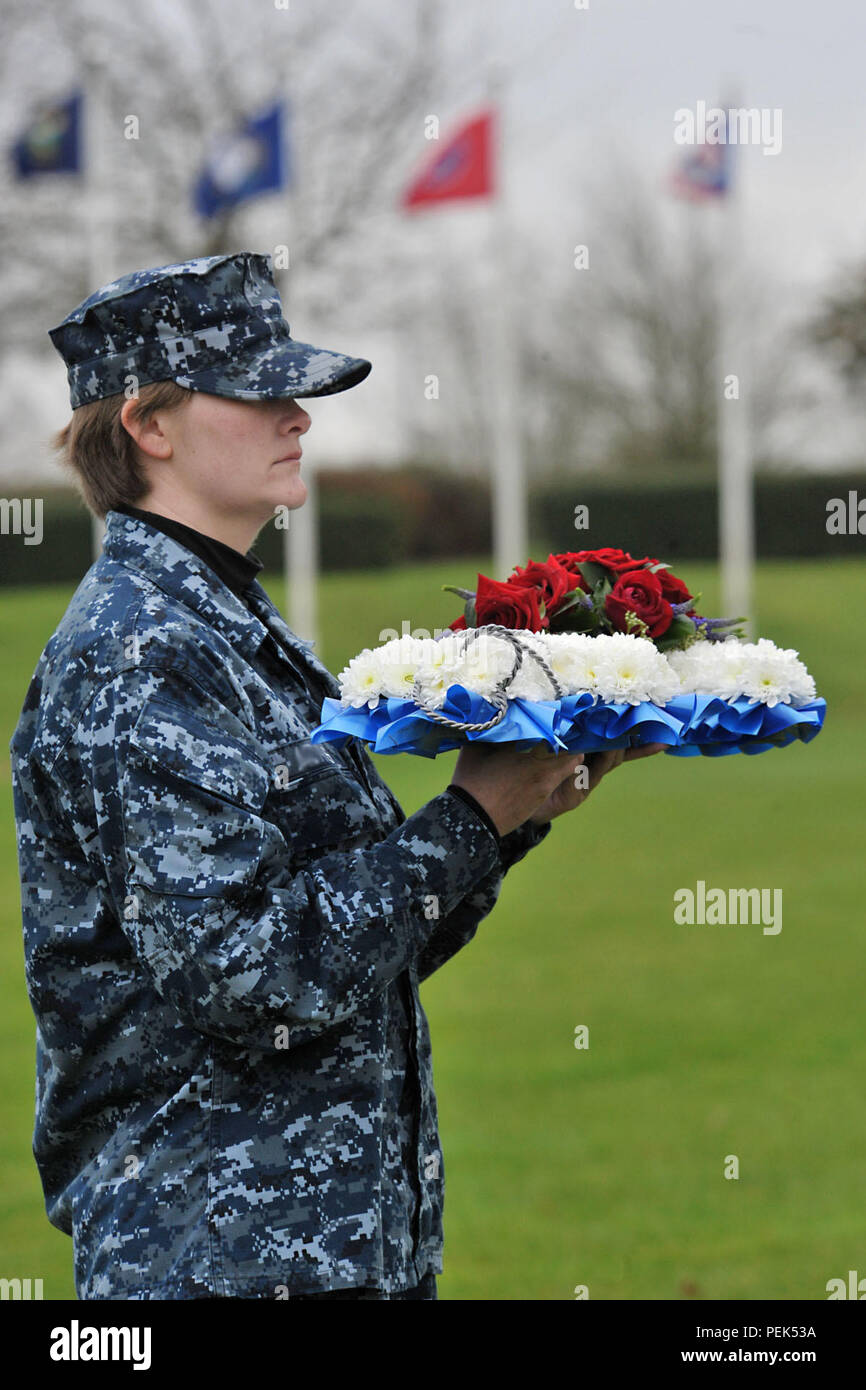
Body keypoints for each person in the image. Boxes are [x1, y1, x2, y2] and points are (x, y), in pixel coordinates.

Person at [9, 250, 662, 1301]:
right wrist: (467, 812)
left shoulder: (228, 626)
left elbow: (355, 967)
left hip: (328, 1251)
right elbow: (248, 976)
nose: (298, 415)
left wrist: (516, 807)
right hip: (208, 1255)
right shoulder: (139, 650)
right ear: (148, 423)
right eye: (261, 390)